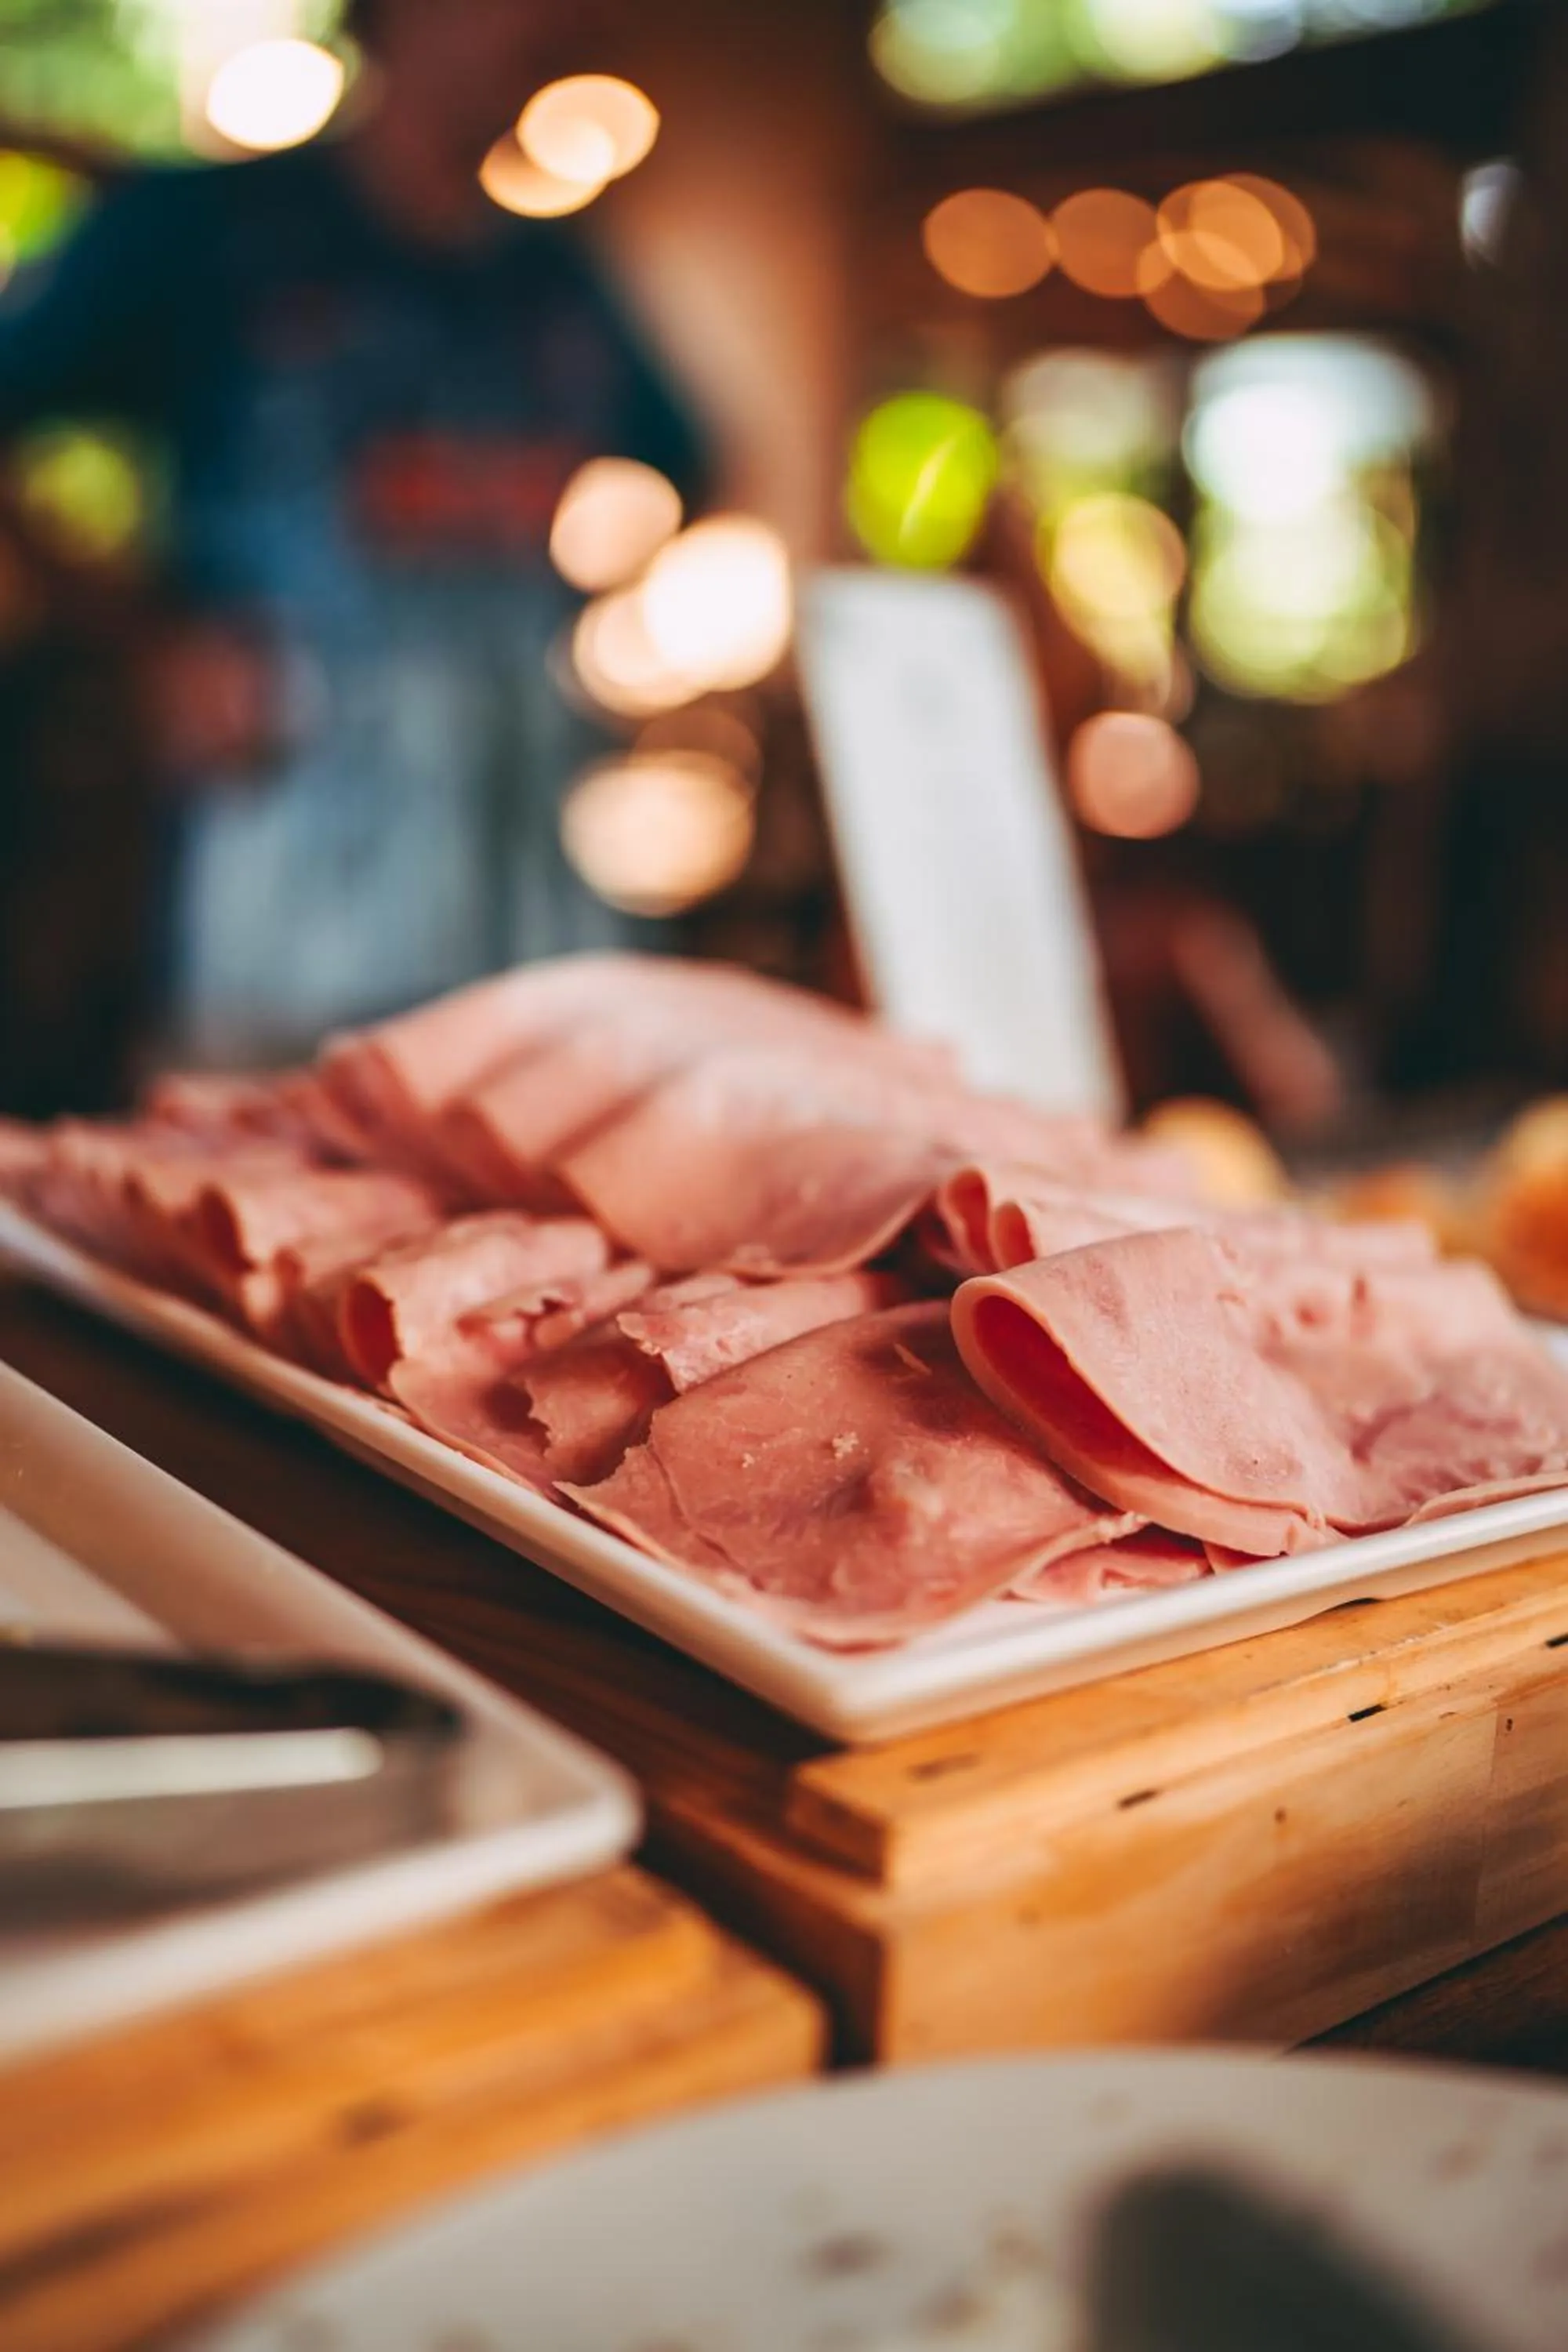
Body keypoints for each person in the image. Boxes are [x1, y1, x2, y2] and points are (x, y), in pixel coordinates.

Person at [0, 0, 708, 1071]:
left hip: (526, 904)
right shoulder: (210, 232)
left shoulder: (553, 281)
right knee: (257, 1193)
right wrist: (147, 638)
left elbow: (691, 463)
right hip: (281, 877)